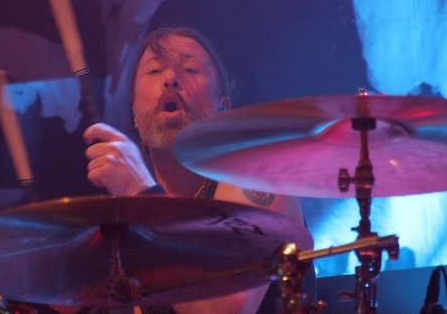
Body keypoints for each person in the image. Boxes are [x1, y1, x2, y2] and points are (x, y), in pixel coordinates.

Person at [81, 26, 307, 314]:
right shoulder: (126, 212)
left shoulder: (259, 174)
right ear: (134, 113)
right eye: (154, 71)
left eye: (189, 69)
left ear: (223, 109)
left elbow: (224, 309)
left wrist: (140, 193)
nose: (170, 79)